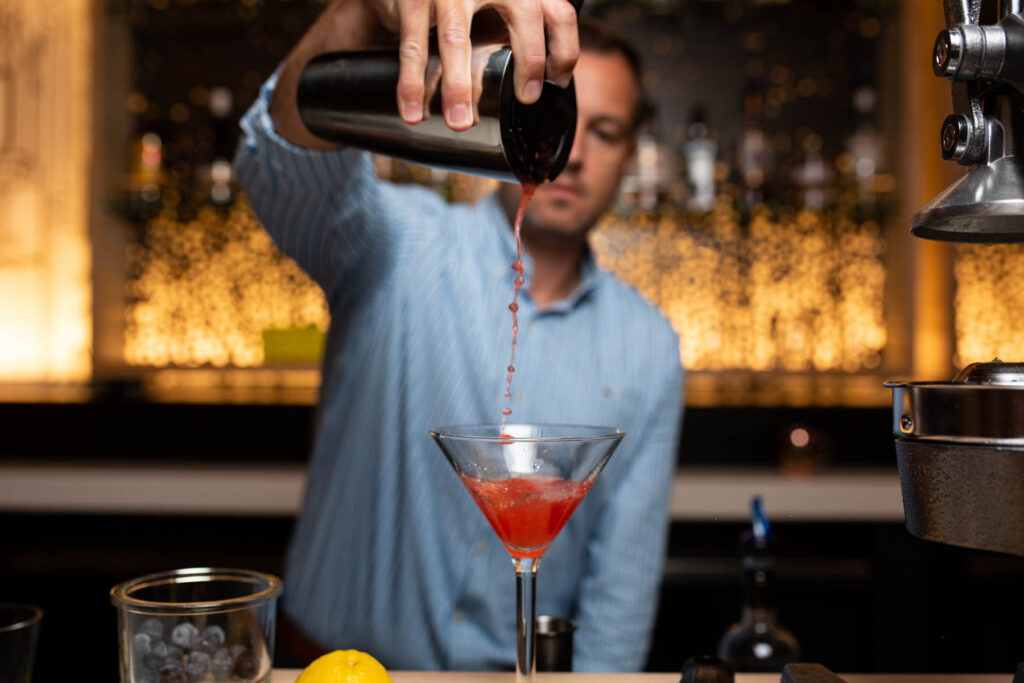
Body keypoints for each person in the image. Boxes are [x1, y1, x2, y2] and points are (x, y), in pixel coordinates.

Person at [234, 0, 683, 672]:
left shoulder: (648, 343)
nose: (577, 151)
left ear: (631, 157)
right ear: (503, 107)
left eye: (608, 130)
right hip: (328, 669)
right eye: (550, 106)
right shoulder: (394, 242)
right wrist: (362, 13)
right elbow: (281, 165)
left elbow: (619, 597)